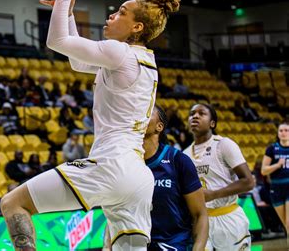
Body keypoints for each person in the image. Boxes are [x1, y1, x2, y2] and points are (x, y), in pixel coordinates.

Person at [1, 0, 180, 251]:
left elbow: (57, 41)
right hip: (137, 176)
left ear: (137, 27)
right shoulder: (143, 59)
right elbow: (76, 61)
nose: (112, 14)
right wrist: (66, 8)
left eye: (121, 12)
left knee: (12, 203)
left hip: (111, 165)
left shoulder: (119, 52)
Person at [107, 106, 208, 250]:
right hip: (134, 245)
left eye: (147, 113)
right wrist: (107, 246)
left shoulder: (178, 160)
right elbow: (115, 214)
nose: (140, 116)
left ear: (159, 127)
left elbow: (200, 214)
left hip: (172, 244)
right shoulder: (124, 164)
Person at [183, 103, 254, 250]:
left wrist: (214, 194)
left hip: (228, 217)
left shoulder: (223, 144)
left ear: (212, 123)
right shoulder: (185, 154)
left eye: (201, 113)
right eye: (192, 114)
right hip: (201, 221)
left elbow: (248, 181)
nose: (195, 116)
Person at [261, 122, 289, 232]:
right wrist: (277, 165)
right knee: (286, 227)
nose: (283, 133)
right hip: (276, 189)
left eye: (286, 130)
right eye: (281, 131)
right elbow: (263, 171)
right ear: (277, 133)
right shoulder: (272, 149)